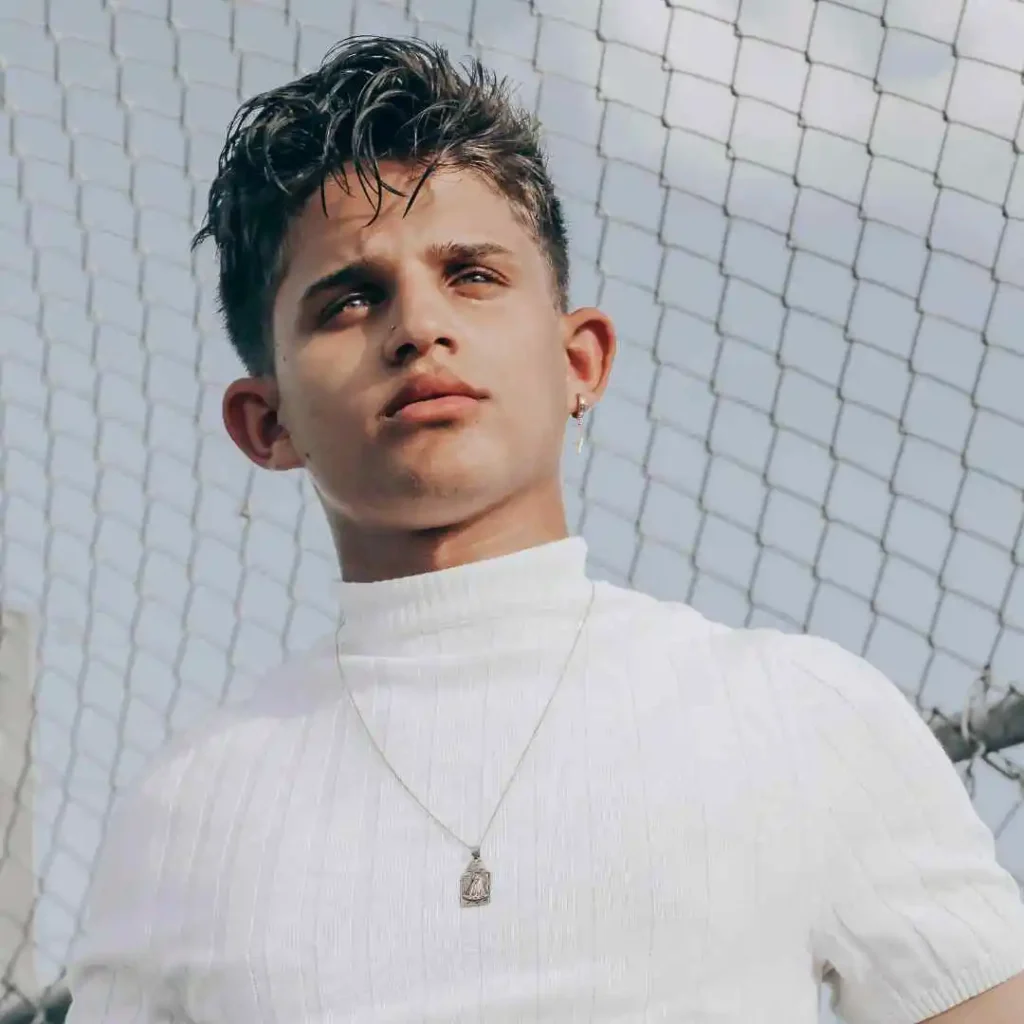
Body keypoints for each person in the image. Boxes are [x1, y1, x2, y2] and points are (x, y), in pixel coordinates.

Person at [66, 36, 1024, 1023]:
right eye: (349, 298)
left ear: (581, 361)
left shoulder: (793, 713)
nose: (418, 327)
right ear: (265, 424)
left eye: (472, 275)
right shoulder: (183, 818)